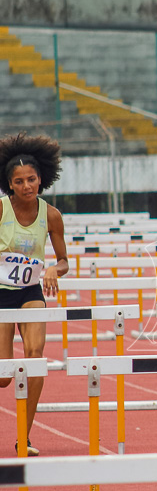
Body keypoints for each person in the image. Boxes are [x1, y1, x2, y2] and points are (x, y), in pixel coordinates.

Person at [0, 134, 69, 456]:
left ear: (42, 179)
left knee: (35, 355)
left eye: (31, 179)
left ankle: (23, 438)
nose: (27, 186)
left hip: (29, 290)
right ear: (9, 185)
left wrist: (56, 269)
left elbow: (64, 260)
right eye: (19, 181)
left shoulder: (51, 215)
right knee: (3, 377)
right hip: (0, 293)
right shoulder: (0, 211)